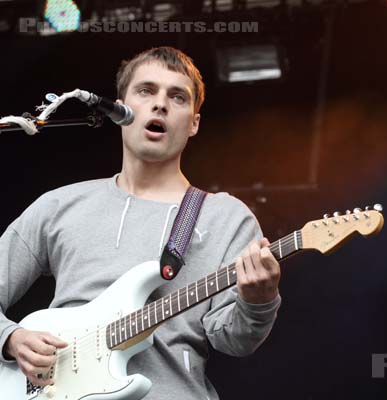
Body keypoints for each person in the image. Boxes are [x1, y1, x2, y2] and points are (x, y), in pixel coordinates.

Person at [0, 46, 281, 399]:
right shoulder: (59, 204)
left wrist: (259, 299)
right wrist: (9, 338)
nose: (160, 104)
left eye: (178, 97)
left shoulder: (226, 217)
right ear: (121, 108)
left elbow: (234, 341)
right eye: (146, 91)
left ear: (193, 123)